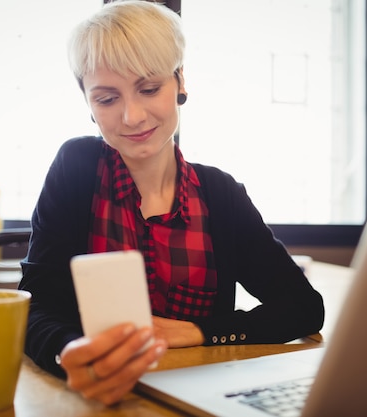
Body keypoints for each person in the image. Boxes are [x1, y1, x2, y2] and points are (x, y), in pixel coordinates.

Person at [19, 0, 324, 406]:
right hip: (96, 398)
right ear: (88, 104)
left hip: (196, 398)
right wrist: (68, 351)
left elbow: (303, 308)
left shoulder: (220, 194)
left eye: (149, 89)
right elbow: (35, 307)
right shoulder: (76, 168)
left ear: (180, 82)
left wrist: (201, 332)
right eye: (107, 99)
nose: (131, 116)